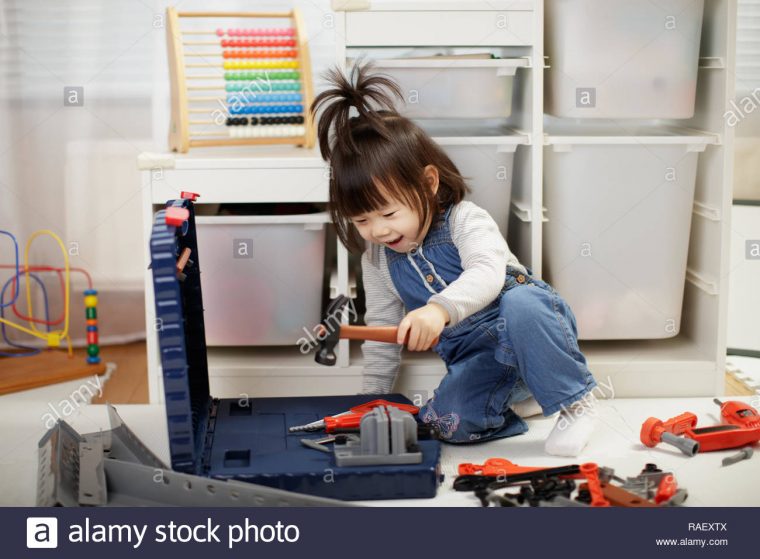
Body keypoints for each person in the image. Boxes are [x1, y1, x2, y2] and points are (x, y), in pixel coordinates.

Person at [310, 62, 599, 456]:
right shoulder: (378, 260)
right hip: (481, 360)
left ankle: (574, 403)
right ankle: (516, 398)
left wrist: (438, 311)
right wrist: (371, 399)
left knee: (523, 303)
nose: (377, 230)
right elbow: (383, 331)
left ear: (428, 184)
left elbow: (486, 273)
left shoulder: (465, 219)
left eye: (389, 214)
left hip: (528, 329)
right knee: (446, 423)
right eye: (361, 219)